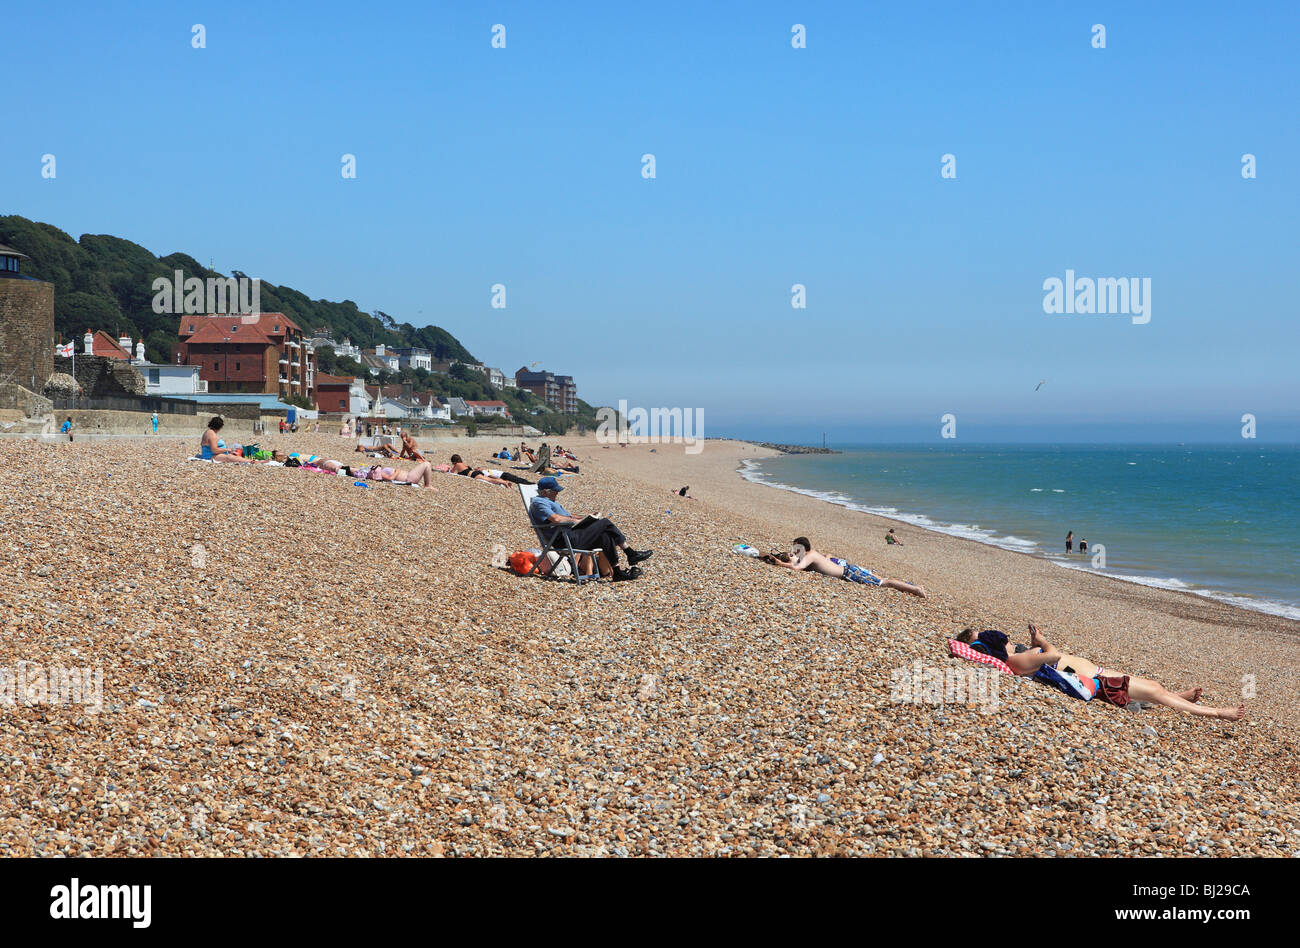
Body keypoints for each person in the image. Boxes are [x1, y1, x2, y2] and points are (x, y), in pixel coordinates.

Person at [959, 624, 1245, 722]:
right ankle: (1218, 713)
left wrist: (1038, 646)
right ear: (998, 645)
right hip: (1097, 678)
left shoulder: (1017, 659)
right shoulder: (1016, 661)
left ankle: (1180, 696)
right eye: (1005, 639)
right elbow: (1056, 654)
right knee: (1156, 691)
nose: (1010, 640)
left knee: (1154, 686)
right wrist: (1040, 643)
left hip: (1096, 672)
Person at [529, 476, 651, 580]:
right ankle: (630, 552)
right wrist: (575, 521)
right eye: (555, 491)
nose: (557, 493)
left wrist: (587, 517)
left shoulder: (550, 501)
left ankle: (617, 572)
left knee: (604, 536)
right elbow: (556, 519)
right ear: (546, 491)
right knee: (604, 523)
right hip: (564, 538)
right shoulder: (539, 503)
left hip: (570, 534)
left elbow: (568, 516)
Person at [762, 537, 926, 597]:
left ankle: (916, 590)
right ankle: (913, 587)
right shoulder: (812, 553)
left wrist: (780, 563)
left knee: (885, 582)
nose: (794, 551)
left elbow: (796, 568)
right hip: (848, 570)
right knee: (883, 581)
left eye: (795, 548)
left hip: (849, 574)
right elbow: (814, 561)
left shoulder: (810, 556)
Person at [448, 454, 532, 486]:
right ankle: (503, 481)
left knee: (490, 480)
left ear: (454, 461)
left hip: (473, 475)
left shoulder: (457, 465)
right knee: (491, 478)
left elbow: (452, 472)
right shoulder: (464, 464)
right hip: (475, 472)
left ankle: (504, 482)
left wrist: (448, 470)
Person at [359, 462, 438, 488]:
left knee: (427, 465)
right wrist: (397, 471)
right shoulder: (380, 473)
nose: (376, 467)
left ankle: (428, 485)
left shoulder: (381, 471)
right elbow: (390, 478)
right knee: (427, 464)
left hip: (408, 476)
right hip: (408, 478)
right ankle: (428, 485)